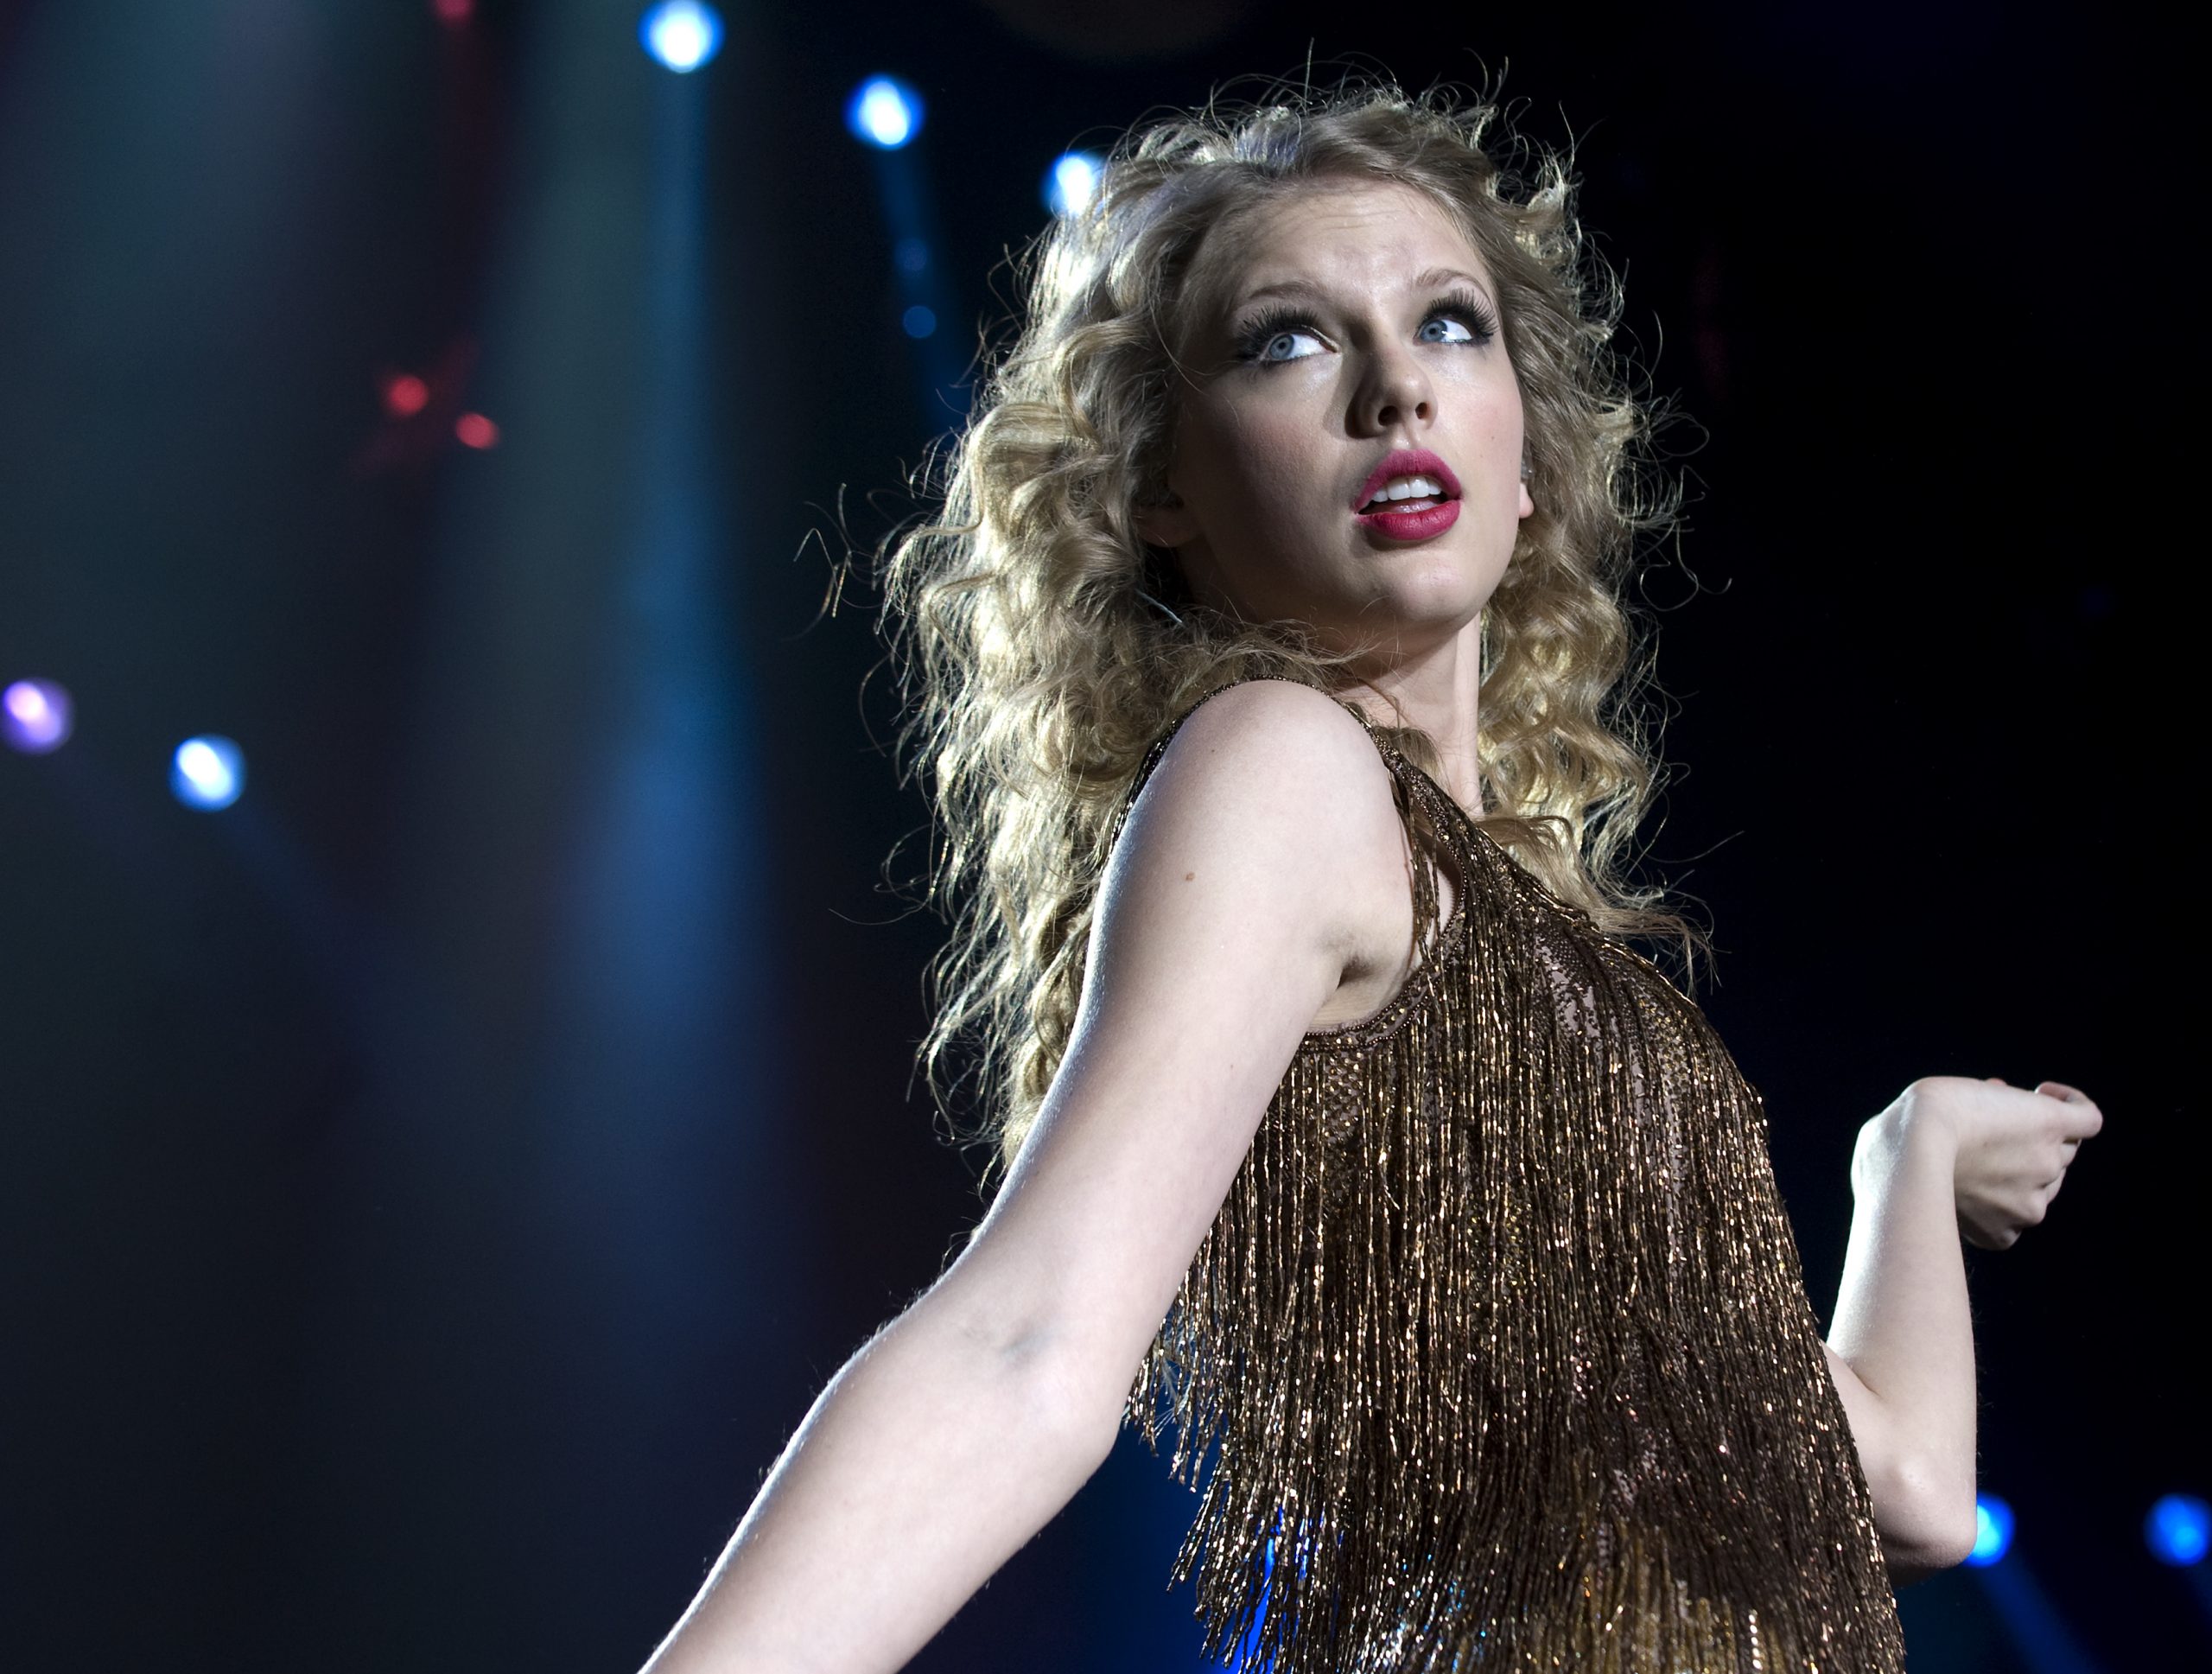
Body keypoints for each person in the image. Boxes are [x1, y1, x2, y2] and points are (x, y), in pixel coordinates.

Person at [639, 80, 2101, 1674]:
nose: (1397, 387)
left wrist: (1908, 1156)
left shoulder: (1548, 973)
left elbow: (1903, 1489)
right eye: (1289, 340)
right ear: (1161, 487)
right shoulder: (1290, 766)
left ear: (1528, 457)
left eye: (1450, 325)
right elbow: (1028, 1340)